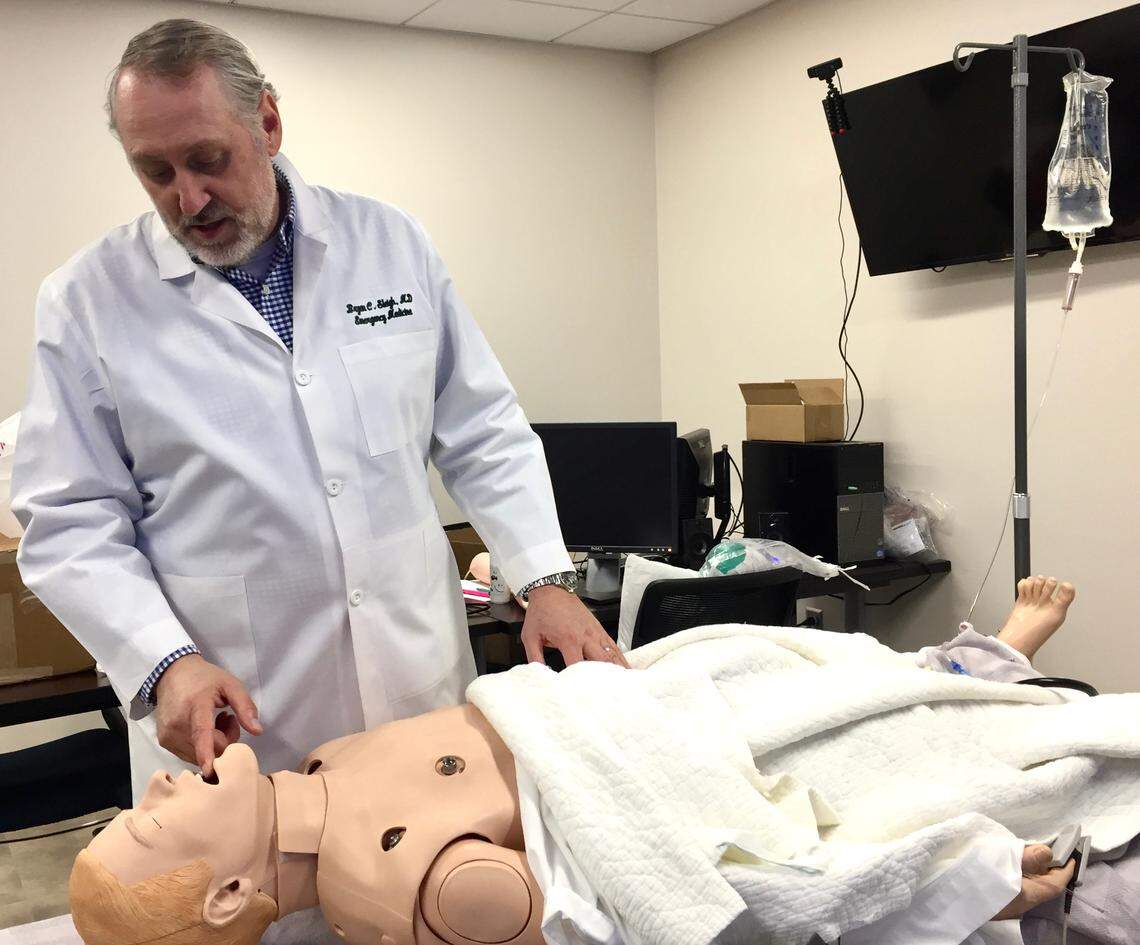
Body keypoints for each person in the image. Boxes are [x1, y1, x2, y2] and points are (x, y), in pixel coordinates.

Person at [10, 18, 626, 802]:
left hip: (419, 701)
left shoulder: (389, 244)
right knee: (268, 916)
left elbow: (482, 430)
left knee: (436, 904)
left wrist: (546, 576)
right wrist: (162, 661)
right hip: (241, 735)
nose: (187, 197)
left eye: (207, 160)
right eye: (154, 172)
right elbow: (69, 519)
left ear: (266, 122)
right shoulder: (87, 302)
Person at [69, 577, 1135, 945]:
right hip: (653, 761)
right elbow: (637, 895)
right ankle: (981, 682)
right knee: (865, 740)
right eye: (154, 820)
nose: (156, 784)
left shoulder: (327, 760)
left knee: (791, 657)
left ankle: (967, 663)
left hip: (610, 709)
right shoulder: (402, 887)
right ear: (228, 903)